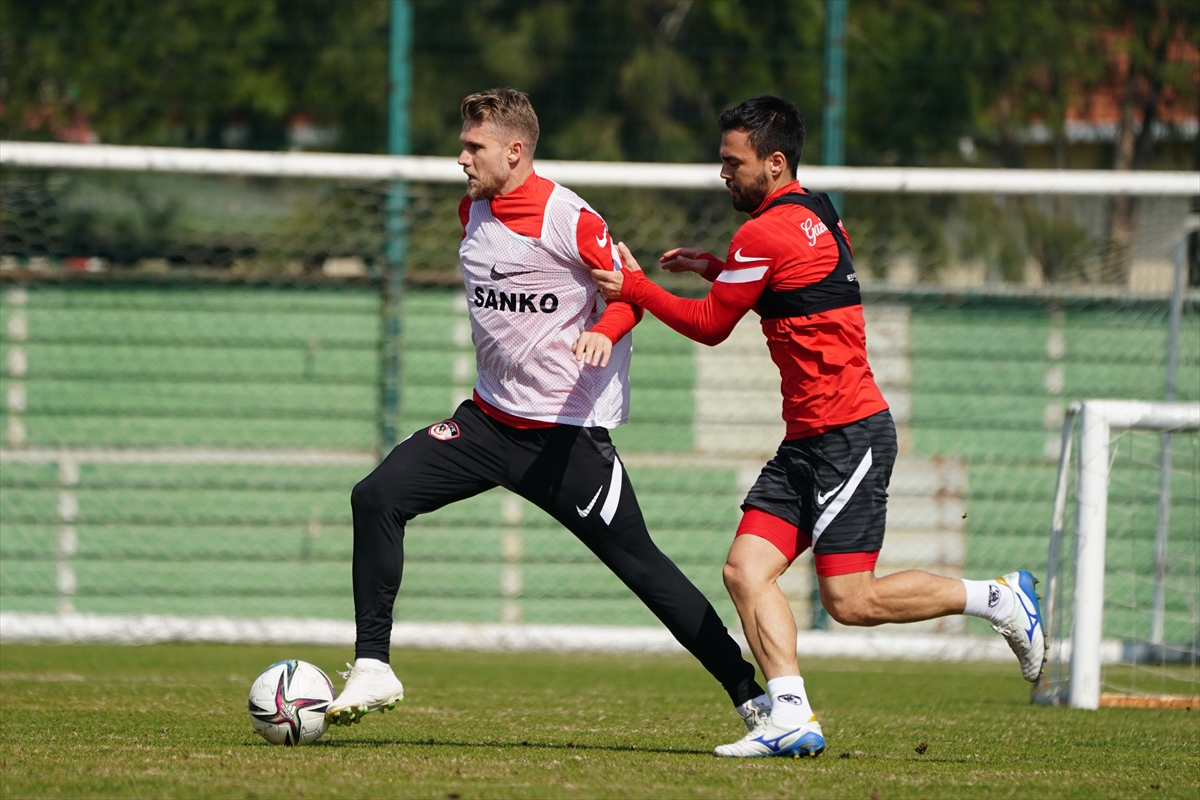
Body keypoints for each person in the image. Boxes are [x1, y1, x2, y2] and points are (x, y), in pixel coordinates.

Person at [590, 95, 1045, 759]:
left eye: (733, 163)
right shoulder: (818, 209)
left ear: (773, 163)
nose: (724, 175)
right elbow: (803, 284)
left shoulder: (763, 233)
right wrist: (719, 269)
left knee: (850, 600)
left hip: (847, 434)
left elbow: (711, 327)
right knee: (746, 570)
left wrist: (633, 288)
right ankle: (792, 717)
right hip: (808, 438)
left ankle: (999, 599)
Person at [327, 87, 770, 735]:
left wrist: (606, 330)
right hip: (484, 424)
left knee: (643, 568)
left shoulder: (572, 217)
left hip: (565, 442)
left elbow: (628, 293)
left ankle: (752, 697)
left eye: (474, 146)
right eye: (463, 144)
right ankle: (373, 665)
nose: (462, 157)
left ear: (515, 150)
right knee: (376, 496)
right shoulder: (471, 212)